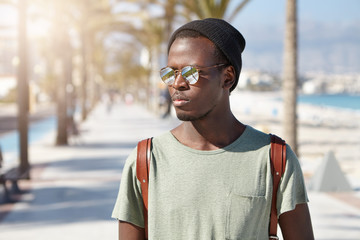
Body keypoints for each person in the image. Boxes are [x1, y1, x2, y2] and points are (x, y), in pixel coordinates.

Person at [112, 18, 314, 240]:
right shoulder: (145, 161)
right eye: (170, 72)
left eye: (191, 73)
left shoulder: (275, 160)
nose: (177, 83)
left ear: (227, 77)